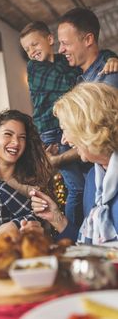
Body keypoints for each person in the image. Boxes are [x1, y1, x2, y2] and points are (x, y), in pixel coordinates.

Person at [20, 20, 118, 227]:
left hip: (66, 127)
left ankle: (87, 227)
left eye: (35, 45)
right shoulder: (35, 68)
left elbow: (92, 64)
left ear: (49, 40)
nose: (31, 52)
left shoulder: (65, 63)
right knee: (76, 186)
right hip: (50, 132)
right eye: (27, 49)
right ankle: (75, 229)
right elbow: (68, 83)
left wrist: (110, 56)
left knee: (86, 178)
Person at [31, 83, 118, 244]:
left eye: (65, 129)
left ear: (90, 126)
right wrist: (56, 217)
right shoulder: (94, 177)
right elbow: (88, 247)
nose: (64, 140)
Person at [58, 7, 118, 87]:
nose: (60, 50)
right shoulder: (77, 76)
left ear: (88, 40)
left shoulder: (109, 79)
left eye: (65, 43)